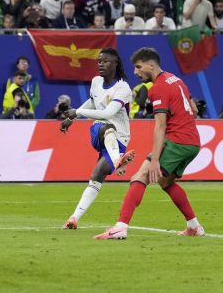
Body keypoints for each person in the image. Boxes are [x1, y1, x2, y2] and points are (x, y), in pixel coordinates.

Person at [94, 47, 204, 240]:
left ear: (151, 65)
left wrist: (154, 160)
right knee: (165, 182)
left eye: (138, 67)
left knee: (139, 176)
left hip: (177, 141)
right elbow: (193, 110)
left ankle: (120, 227)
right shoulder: (175, 79)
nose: (135, 72)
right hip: (192, 142)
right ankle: (194, 226)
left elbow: (160, 125)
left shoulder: (158, 88)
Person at [60, 47, 135, 229]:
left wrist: (76, 112)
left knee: (96, 175)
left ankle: (74, 218)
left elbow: (109, 111)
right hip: (99, 131)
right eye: (99, 61)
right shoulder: (95, 82)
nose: (101, 64)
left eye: (105, 61)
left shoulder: (123, 88)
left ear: (115, 64)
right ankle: (119, 161)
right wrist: (73, 117)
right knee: (105, 125)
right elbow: (94, 102)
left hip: (120, 140)